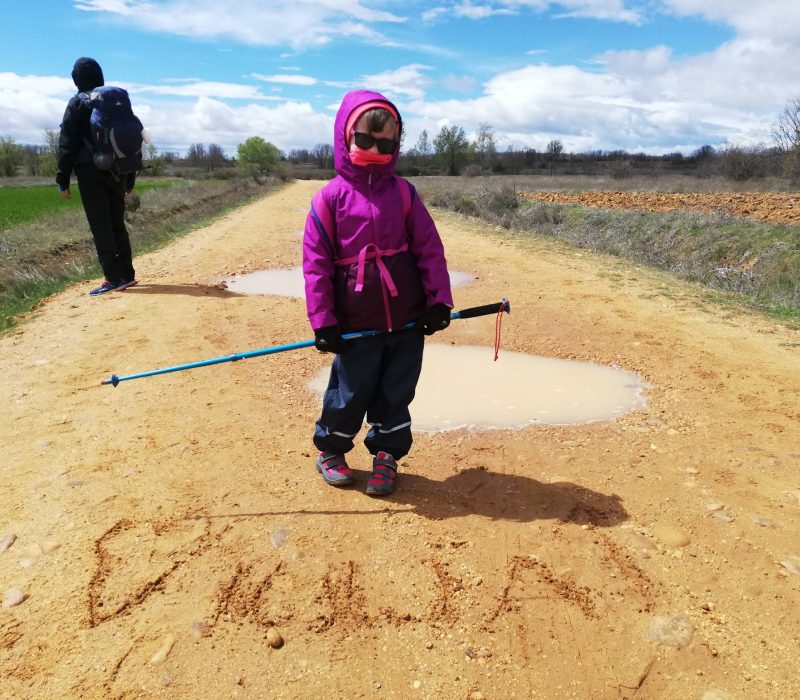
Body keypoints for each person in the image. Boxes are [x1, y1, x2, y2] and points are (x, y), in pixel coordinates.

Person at [303, 89, 453, 497]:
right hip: (356, 322)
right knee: (350, 391)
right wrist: (324, 321)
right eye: (365, 140)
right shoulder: (329, 199)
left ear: (396, 146)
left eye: (385, 143)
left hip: (406, 318)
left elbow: (429, 248)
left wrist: (439, 300)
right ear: (345, 137)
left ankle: (387, 455)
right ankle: (331, 450)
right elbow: (315, 266)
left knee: (396, 391)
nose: (374, 149)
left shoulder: (404, 194)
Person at [56, 57, 138, 296]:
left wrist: (62, 179)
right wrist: (129, 178)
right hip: (117, 171)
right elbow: (128, 143)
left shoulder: (77, 103)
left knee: (100, 225)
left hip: (89, 170)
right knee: (117, 224)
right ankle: (127, 274)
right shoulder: (114, 102)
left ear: (76, 79)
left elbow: (67, 145)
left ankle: (113, 279)